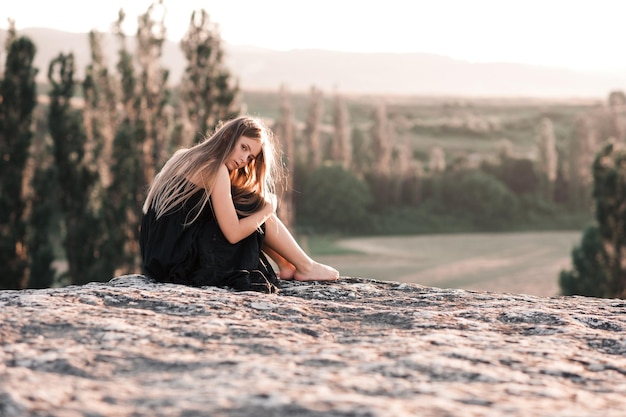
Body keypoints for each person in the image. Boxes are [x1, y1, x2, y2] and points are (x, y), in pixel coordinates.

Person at [140, 115, 340, 293]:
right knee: (254, 208)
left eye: (250, 156)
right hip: (179, 263)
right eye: (243, 147)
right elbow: (233, 234)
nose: (244, 159)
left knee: (245, 203)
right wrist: (268, 209)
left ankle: (286, 264)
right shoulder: (215, 169)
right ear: (227, 137)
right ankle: (305, 266)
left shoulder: (183, 156)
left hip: (158, 258)